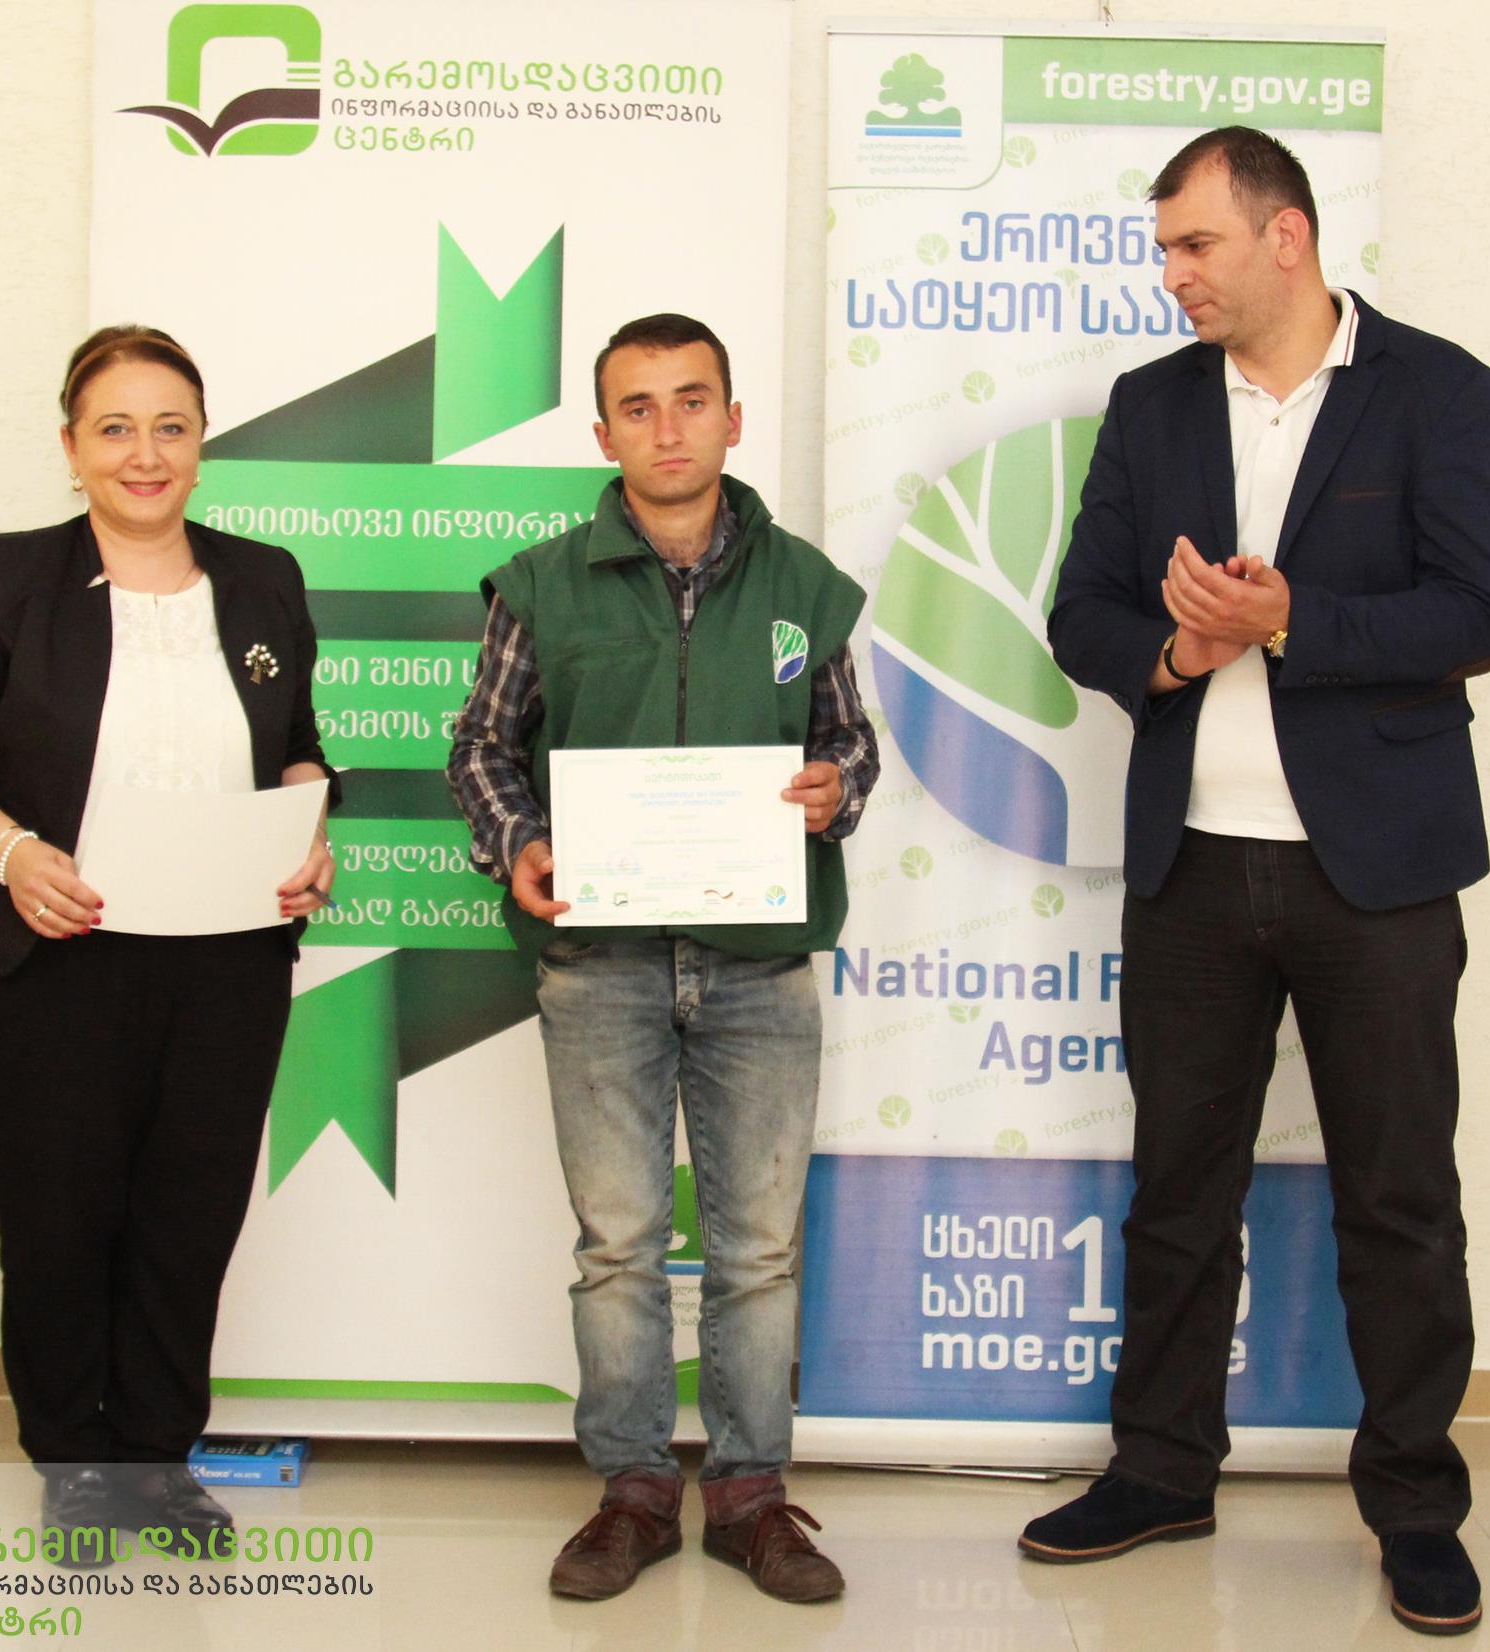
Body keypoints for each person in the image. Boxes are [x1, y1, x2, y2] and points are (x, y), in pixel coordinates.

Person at [1023, 128, 1490, 1638]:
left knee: (1398, 1198)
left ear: (1284, 235)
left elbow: (1474, 613)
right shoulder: (1151, 404)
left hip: (1377, 872)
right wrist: (1178, 650)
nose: (1171, 275)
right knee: (1179, 1190)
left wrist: (1293, 620)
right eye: (1165, 250)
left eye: (1195, 245)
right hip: (1190, 866)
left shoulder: (1443, 390)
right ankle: (1161, 1468)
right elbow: (1080, 614)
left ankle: (1415, 1506)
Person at [448, 313, 879, 1604]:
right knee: (620, 1244)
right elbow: (480, 749)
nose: (667, 427)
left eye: (692, 399)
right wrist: (518, 841)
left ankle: (750, 1498)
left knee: (757, 1249)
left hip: (760, 963)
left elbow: (849, 744)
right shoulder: (541, 585)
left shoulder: (803, 585)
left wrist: (833, 789)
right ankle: (632, 1491)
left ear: (733, 419)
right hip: (601, 963)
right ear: (603, 433)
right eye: (636, 406)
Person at [0, 325, 339, 1562]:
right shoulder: (7, 579)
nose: (145, 453)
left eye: (171, 427)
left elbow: (297, 747)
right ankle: (76, 1467)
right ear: (71, 446)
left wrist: (311, 833)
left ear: (201, 444)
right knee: (58, 1219)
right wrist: (10, 853)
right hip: (52, 955)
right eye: (116, 427)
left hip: (225, 958)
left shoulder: (263, 580)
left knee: (187, 1220)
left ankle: (155, 1458)